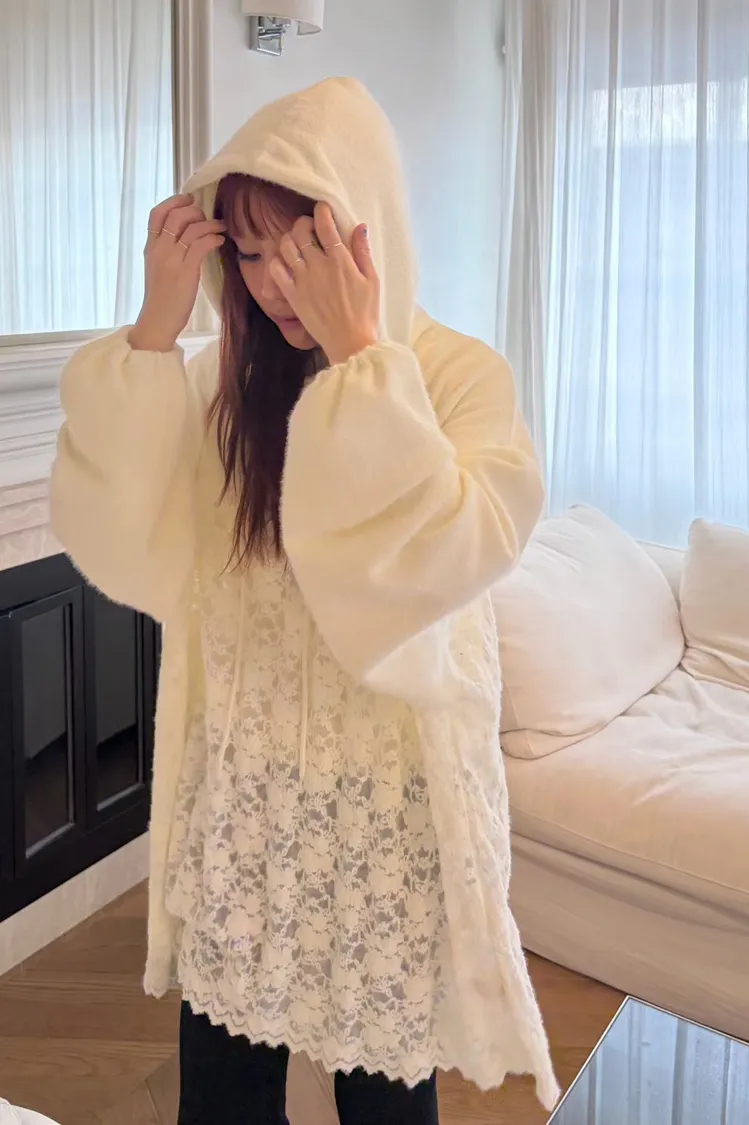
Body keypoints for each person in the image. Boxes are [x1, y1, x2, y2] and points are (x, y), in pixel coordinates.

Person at [51, 78, 559, 1125]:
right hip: (244, 799)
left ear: (363, 233)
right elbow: (127, 535)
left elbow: (459, 554)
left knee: (386, 1104)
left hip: (386, 815)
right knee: (221, 1098)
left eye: (302, 249)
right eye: (247, 251)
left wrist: (363, 362)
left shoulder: (457, 374)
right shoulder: (224, 385)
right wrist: (153, 332)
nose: (274, 282)